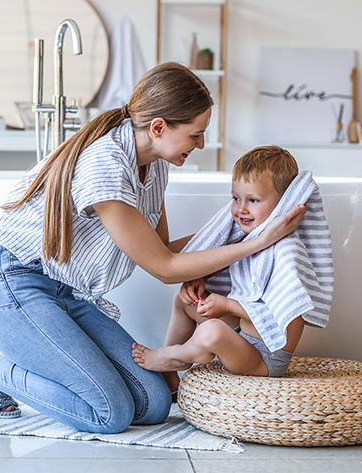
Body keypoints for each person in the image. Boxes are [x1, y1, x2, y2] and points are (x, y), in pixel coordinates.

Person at [0, 63, 306, 432]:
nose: (200, 144)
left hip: (64, 290)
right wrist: (259, 241)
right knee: (108, 413)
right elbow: (166, 267)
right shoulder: (107, 167)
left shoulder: (156, 164)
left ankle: (12, 352)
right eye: (195, 134)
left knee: (152, 404)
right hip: (9, 280)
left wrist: (245, 235)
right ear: (159, 127)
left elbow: (161, 247)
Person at [133, 145, 333, 386]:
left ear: (282, 204)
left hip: (264, 356)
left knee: (211, 331)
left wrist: (226, 304)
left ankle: (176, 358)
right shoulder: (250, 240)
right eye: (236, 198)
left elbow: (284, 315)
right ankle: (169, 374)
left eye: (253, 200)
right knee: (183, 300)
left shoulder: (287, 251)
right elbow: (235, 274)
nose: (241, 209)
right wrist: (203, 278)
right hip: (241, 332)